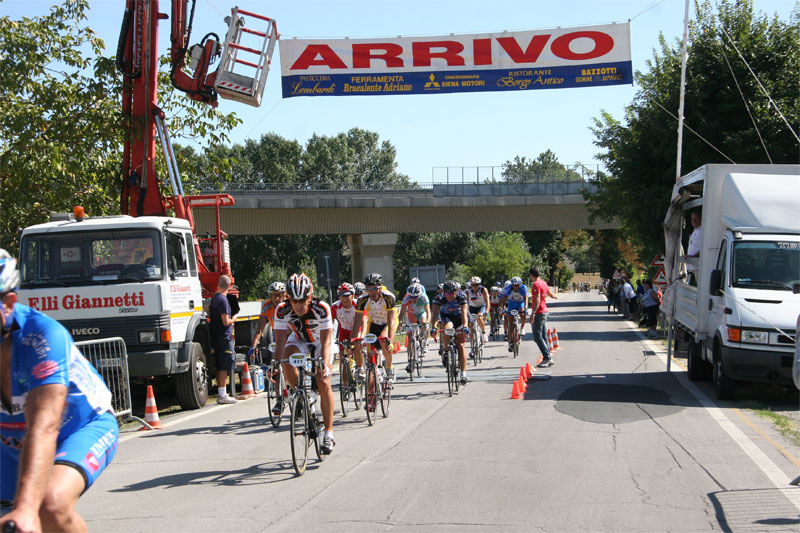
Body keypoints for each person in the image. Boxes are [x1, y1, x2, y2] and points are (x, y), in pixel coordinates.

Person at [0, 249, 118, 533]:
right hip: (9, 438)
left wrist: (27, 508)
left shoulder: (42, 336)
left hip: (78, 427)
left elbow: (45, 426)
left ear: (9, 303)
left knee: (48, 505)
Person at [273, 273, 336, 454]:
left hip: (319, 341)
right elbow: (280, 342)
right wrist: (276, 365)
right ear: (288, 298)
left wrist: (323, 365)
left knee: (323, 382)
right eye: (294, 301)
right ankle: (302, 394)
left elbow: (325, 343)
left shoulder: (322, 308)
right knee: (286, 357)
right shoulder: (282, 309)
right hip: (299, 338)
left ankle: (329, 434)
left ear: (310, 296)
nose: (299, 306)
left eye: (303, 300)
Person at [353, 273, 398, 382]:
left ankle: (389, 368)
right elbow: (357, 322)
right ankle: (367, 370)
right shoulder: (362, 299)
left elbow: (391, 321)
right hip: (373, 323)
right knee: (367, 349)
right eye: (369, 288)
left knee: (384, 341)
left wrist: (391, 342)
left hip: (387, 322)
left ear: (380, 287)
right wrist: (353, 340)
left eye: (374, 288)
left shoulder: (388, 297)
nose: (372, 291)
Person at [430, 280, 470, 384]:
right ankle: (447, 351)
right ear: (444, 292)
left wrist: (465, 326)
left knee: (461, 345)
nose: (450, 296)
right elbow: (434, 314)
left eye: (452, 293)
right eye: (447, 293)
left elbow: (464, 313)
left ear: (457, 292)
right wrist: (434, 327)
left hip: (459, 317)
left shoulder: (462, 296)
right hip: (446, 317)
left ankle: (463, 374)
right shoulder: (439, 297)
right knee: (447, 328)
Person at [210, 275, 238, 404]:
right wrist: (234, 319)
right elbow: (226, 321)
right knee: (224, 365)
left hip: (216, 336)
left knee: (220, 364)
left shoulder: (215, 298)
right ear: (230, 285)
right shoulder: (223, 300)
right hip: (224, 337)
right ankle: (222, 395)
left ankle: (222, 393)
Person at [249, 281, 285, 363]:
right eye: (273, 295)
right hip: (277, 333)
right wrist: (253, 347)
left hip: (290, 332)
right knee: (277, 360)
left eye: (279, 295)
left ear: (283, 295)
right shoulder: (267, 307)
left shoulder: (289, 304)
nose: (276, 299)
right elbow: (259, 330)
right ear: (270, 296)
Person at [399, 283, 431, 373]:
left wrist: (427, 323)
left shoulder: (424, 297)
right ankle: (410, 361)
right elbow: (401, 313)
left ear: (419, 295)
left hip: (421, 314)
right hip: (411, 316)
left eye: (416, 297)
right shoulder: (406, 298)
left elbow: (428, 311)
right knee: (409, 338)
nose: (413, 299)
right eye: (411, 297)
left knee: (424, 323)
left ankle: (423, 340)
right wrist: (400, 322)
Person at [529, 266, 557, 367]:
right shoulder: (543, 283)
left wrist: (532, 313)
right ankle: (548, 356)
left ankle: (547, 358)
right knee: (543, 336)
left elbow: (537, 299)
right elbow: (550, 293)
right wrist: (555, 296)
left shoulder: (536, 284)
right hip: (545, 311)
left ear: (531, 275)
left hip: (539, 312)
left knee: (537, 337)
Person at [501, 276, 528, 352]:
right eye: (514, 285)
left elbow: (526, 299)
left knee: (522, 314)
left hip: (520, 303)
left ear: (520, 284)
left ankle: (522, 327)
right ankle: (511, 342)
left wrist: (525, 308)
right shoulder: (509, 288)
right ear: (512, 285)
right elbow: (505, 298)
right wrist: (504, 308)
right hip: (512, 304)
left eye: (517, 285)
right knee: (510, 322)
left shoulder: (523, 288)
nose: (516, 287)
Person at [465, 276, 490, 345]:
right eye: (473, 285)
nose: (474, 287)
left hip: (481, 306)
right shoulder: (467, 291)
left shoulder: (483, 290)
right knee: (471, 326)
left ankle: (484, 333)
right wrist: (465, 312)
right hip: (472, 307)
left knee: (479, 317)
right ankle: (472, 347)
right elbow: (464, 303)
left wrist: (487, 312)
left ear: (479, 284)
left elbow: (487, 302)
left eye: (476, 285)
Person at [685, 210, 702, 285]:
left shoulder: (702, 231)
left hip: (698, 266)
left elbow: (704, 249)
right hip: (692, 266)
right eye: (692, 219)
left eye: (696, 219)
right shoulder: (695, 231)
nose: (694, 221)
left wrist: (693, 257)